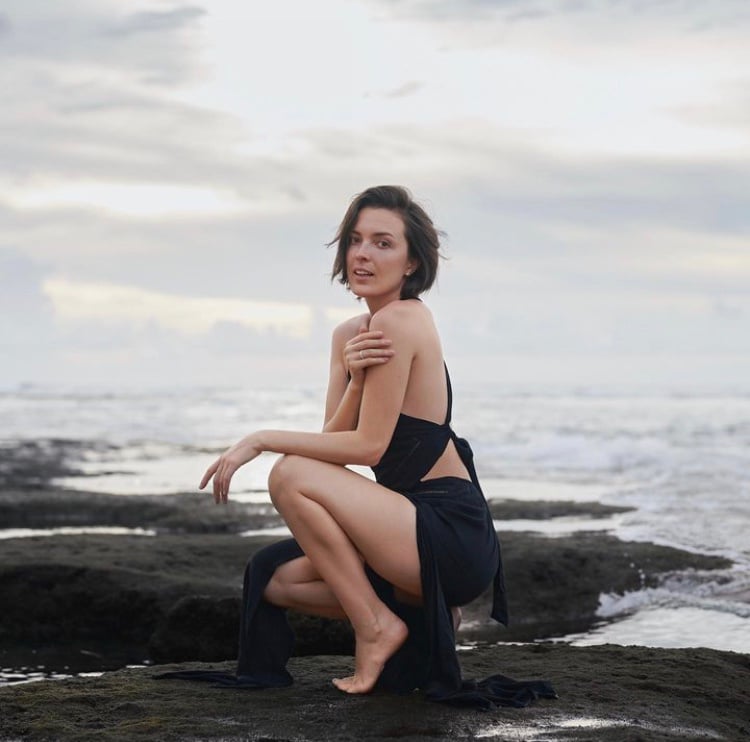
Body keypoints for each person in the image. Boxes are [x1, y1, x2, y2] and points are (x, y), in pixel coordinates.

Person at [159, 186, 555, 709]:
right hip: (404, 530)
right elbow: (334, 445)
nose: (363, 254)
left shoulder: (402, 319)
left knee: (287, 474)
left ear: (412, 262)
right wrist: (356, 378)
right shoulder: (349, 333)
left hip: (447, 534)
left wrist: (259, 439)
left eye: (383, 243)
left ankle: (375, 626)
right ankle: (420, 615)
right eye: (355, 240)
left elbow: (368, 448)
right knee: (273, 578)